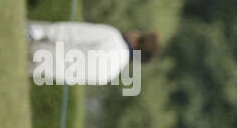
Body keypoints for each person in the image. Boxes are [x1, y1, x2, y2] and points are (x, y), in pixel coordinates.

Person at [28, 21, 160, 86]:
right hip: (39, 70)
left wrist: (40, 32)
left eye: (140, 32)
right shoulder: (112, 74)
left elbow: (73, 32)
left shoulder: (113, 37)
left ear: (138, 41)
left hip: (37, 47)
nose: (135, 31)